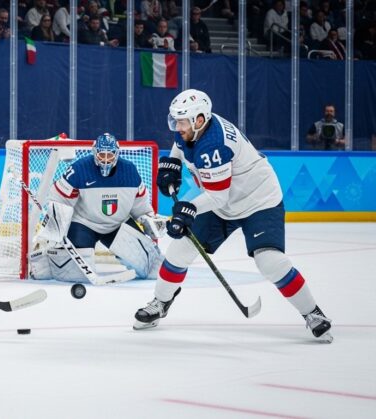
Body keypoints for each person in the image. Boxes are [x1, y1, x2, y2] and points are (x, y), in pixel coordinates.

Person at [133, 89, 333, 343]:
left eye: (182, 121)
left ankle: (312, 312)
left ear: (200, 120)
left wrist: (187, 210)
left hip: (258, 201)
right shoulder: (195, 127)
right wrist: (172, 162)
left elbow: (218, 197)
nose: (177, 126)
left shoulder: (214, 143)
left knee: (270, 261)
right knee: (179, 250)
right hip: (223, 201)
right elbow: (180, 144)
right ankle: (161, 302)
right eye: (176, 120)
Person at [29, 133, 166, 283]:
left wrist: (148, 219)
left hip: (117, 225)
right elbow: (59, 199)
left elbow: (140, 205)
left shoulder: (130, 171)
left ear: (117, 154)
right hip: (84, 224)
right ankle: (48, 261)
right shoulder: (80, 169)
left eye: (110, 155)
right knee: (74, 275)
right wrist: (56, 228)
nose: (106, 159)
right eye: (102, 154)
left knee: (152, 268)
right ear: (95, 153)